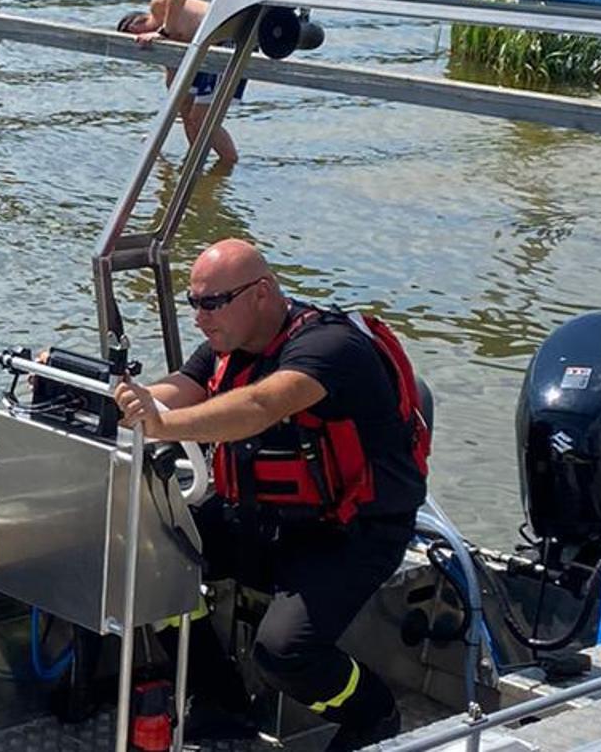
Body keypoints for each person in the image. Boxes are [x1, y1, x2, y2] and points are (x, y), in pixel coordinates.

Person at [112, 239, 427, 750]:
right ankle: (220, 696)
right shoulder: (228, 341)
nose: (200, 317)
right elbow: (181, 387)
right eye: (193, 303)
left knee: (284, 653)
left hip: (350, 533)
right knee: (144, 563)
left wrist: (161, 424)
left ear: (260, 293)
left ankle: (373, 712)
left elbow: (259, 406)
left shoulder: (329, 348)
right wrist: (129, 404)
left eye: (212, 302)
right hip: (262, 518)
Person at [117, 0, 242, 166]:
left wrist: (163, 31)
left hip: (225, 43)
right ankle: (195, 162)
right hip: (201, 52)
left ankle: (228, 163)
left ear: (136, 25)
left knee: (201, 118)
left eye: (136, 39)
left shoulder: (159, 8)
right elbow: (172, 81)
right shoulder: (161, 44)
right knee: (185, 108)